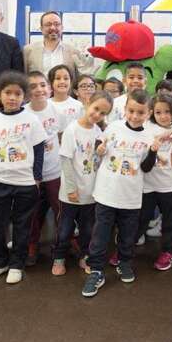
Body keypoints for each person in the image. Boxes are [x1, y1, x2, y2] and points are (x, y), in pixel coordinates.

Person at [82, 90, 157, 297]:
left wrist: (153, 152)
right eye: (131, 111)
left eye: (140, 112)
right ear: (124, 110)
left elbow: (147, 167)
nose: (134, 116)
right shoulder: (113, 127)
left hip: (131, 196)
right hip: (106, 193)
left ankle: (124, 262)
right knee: (100, 234)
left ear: (148, 113)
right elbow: (100, 146)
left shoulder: (150, 135)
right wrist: (99, 149)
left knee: (128, 234)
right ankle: (96, 270)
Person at [0, 71, 47, 285]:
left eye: (18, 93)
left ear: (24, 96)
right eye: (8, 93)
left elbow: (39, 149)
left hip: (26, 184)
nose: (13, 97)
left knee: (22, 225)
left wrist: (37, 179)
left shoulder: (31, 119)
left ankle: (17, 263)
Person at [52, 91, 114, 276]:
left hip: (91, 193)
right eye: (96, 109)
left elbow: (97, 160)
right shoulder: (72, 129)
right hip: (71, 194)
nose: (97, 115)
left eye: (103, 113)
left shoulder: (98, 132)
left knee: (88, 230)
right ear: (87, 103)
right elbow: (66, 160)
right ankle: (59, 257)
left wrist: (102, 151)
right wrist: (71, 189)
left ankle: (85, 255)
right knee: (64, 230)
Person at [140, 94, 172, 271]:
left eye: (167, 112)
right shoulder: (147, 128)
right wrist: (163, 135)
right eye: (159, 112)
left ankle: (170, 252)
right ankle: (125, 249)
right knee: (140, 219)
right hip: (147, 185)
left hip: (169, 186)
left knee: (171, 221)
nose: (163, 116)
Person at [26, 71, 65, 266]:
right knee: (33, 211)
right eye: (32, 86)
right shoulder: (23, 113)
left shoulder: (56, 110)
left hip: (54, 171)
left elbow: (61, 136)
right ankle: (31, 244)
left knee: (61, 209)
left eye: (42, 85)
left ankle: (64, 243)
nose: (39, 89)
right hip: (30, 175)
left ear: (49, 88)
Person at [23, 10, 93, 75]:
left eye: (56, 24)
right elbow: (23, 77)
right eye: (48, 24)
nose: (53, 28)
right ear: (41, 29)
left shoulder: (74, 52)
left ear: (62, 28)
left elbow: (79, 79)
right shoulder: (28, 51)